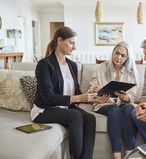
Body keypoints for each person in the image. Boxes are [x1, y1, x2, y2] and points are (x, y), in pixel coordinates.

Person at [31, 26, 96, 159]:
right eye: (71, 43)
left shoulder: (72, 65)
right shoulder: (45, 65)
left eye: (75, 43)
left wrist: (90, 96)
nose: (74, 47)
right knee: (75, 116)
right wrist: (78, 98)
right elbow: (49, 98)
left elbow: (76, 92)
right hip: (45, 110)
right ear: (60, 41)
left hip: (64, 107)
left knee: (90, 119)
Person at [88, 41, 139, 159]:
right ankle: (116, 156)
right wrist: (95, 91)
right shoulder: (101, 68)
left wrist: (124, 97)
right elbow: (91, 92)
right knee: (114, 109)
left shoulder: (131, 72)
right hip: (104, 103)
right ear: (113, 52)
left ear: (127, 58)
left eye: (123, 55)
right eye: (117, 53)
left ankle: (129, 153)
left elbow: (132, 97)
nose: (119, 57)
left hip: (123, 103)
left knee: (129, 109)